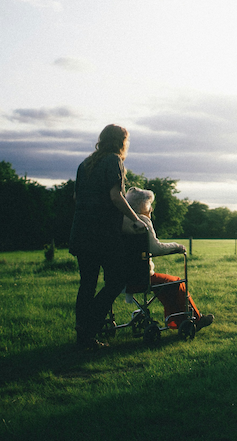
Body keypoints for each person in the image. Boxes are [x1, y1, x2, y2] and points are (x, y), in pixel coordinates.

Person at [69, 124, 147, 349]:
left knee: (87, 284)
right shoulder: (114, 161)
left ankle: (83, 335)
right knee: (116, 280)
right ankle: (89, 326)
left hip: (81, 232)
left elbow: (77, 197)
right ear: (121, 141)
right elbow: (116, 196)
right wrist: (135, 219)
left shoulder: (85, 164)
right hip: (102, 234)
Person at [122, 187, 214, 331]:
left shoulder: (121, 221)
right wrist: (176, 246)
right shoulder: (142, 221)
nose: (151, 209)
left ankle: (176, 321)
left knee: (165, 284)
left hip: (121, 277)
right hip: (141, 277)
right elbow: (156, 249)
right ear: (142, 205)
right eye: (149, 204)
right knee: (176, 282)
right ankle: (195, 319)